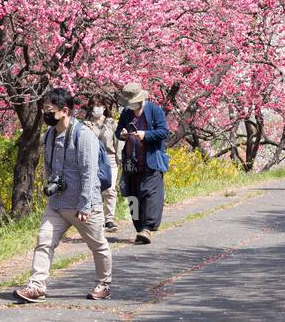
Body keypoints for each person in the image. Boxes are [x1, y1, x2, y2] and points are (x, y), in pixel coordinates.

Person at [15, 88, 112, 302]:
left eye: (49, 110)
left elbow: (89, 172)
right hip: (57, 203)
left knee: (97, 245)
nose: (45, 114)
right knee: (44, 240)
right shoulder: (49, 135)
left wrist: (85, 205)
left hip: (82, 205)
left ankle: (103, 283)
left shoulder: (83, 135)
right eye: (44, 110)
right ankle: (36, 286)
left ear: (65, 110)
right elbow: (49, 168)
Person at [116, 82, 170, 245]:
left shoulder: (154, 110)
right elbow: (118, 131)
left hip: (150, 161)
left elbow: (163, 132)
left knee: (149, 194)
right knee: (133, 195)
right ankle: (139, 229)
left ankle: (147, 228)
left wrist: (145, 135)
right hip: (131, 162)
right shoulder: (126, 113)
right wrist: (123, 135)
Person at [82, 95, 123, 233]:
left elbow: (118, 142)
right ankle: (96, 219)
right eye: (93, 105)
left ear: (104, 107)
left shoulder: (111, 123)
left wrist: (120, 158)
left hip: (110, 158)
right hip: (92, 159)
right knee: (94, 189)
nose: (96, 108)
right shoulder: (85, 124)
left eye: (98, 105)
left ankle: (109, 220)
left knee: (110, 189)